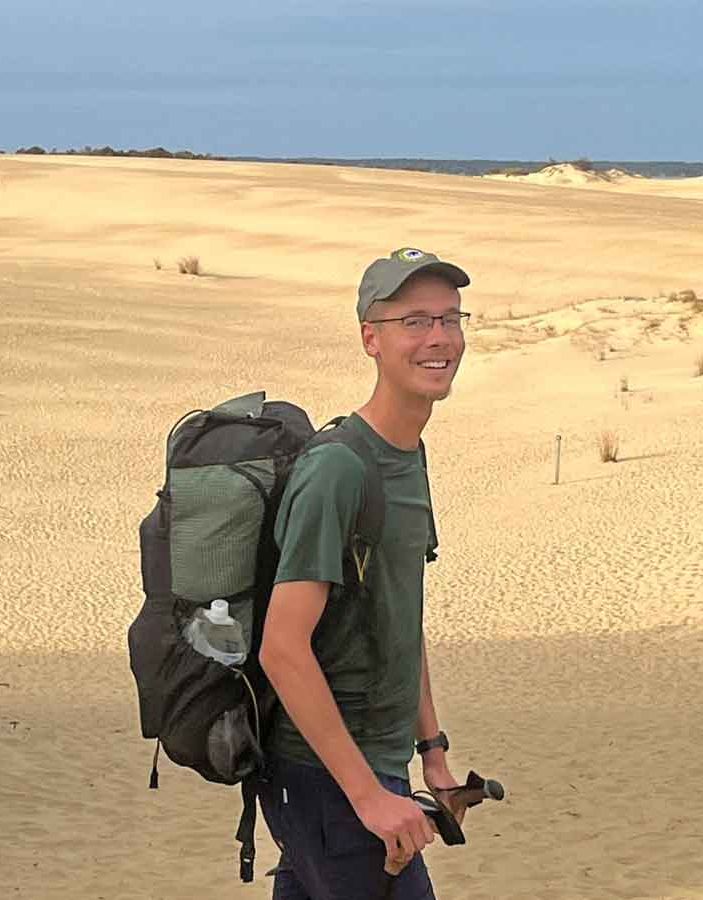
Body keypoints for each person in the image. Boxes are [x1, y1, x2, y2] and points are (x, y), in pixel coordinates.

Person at [257, 248, 472, 899]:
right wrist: (369, 798)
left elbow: (400, 615)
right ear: (370, 339)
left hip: (368, 772)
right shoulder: (339, 469)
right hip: (328, 781)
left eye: (450, 318)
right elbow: (281, 647)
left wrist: (429, 749)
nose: (438, 337)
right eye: (413, 321)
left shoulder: (410, 455)